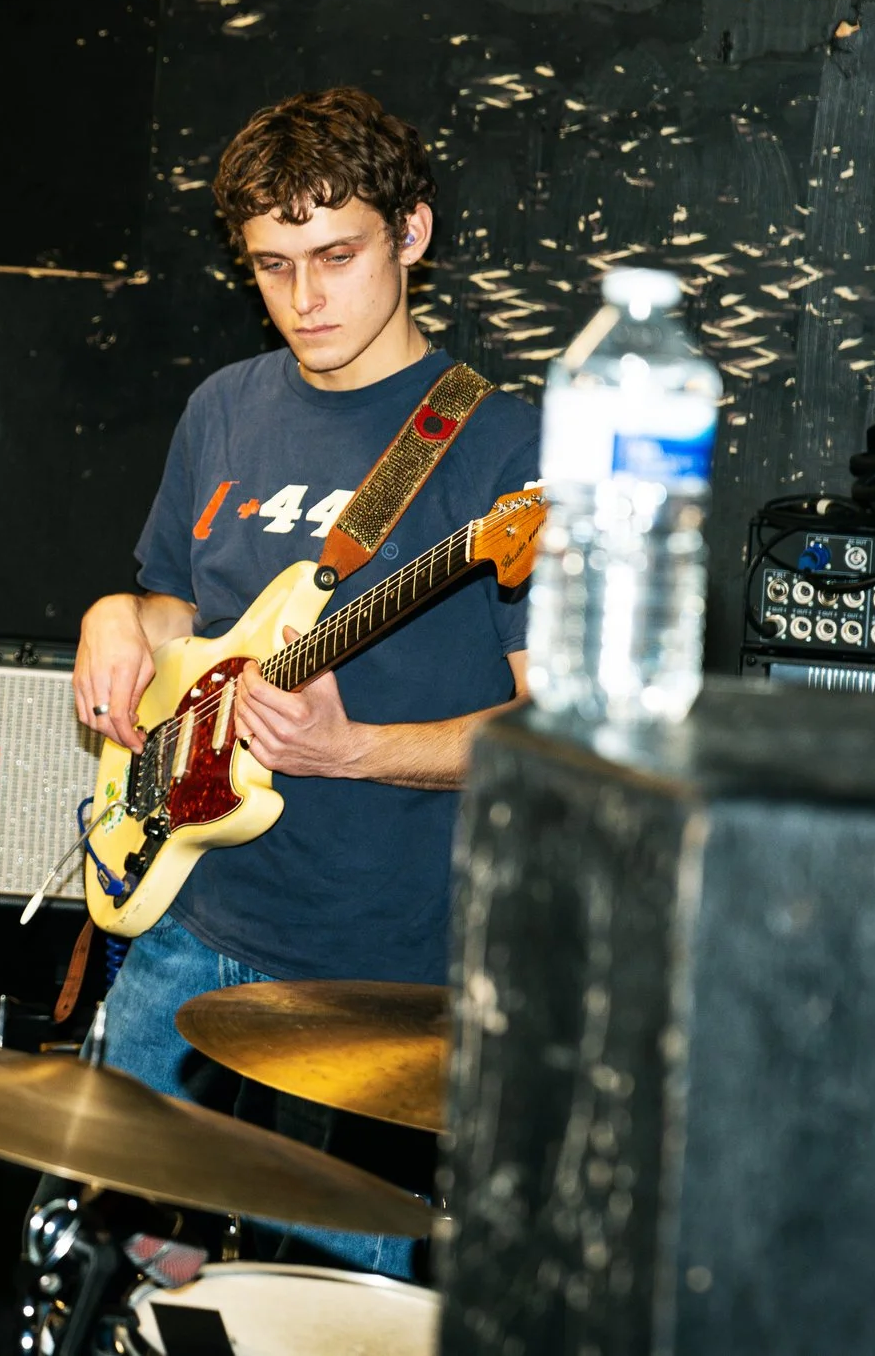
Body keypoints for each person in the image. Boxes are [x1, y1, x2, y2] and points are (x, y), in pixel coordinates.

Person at [70, 87, 538, 1275]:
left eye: (335, 255)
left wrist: (359, 748)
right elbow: (179, 616)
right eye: (272, 265)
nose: (304, 298)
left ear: (412, 234)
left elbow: (565, 733)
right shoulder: (222, 407)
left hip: (373, 974)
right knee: (112, 1277)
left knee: (324, 1310)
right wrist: (109, 615)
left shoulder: (501, 452)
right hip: (187, 915)